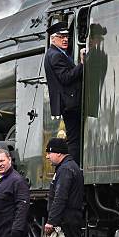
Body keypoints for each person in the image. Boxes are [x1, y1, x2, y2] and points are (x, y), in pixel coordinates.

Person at [44, 22, 87, 163]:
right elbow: (66, 77)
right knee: (74, 139)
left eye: (67, 36)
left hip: (69, 102)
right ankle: (73, 167)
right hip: (69, 103)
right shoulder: (55, 55)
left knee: (74, 137)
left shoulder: (58, 53)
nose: (65, 39)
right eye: (61, 36)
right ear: (52, 38)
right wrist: (82, 63)